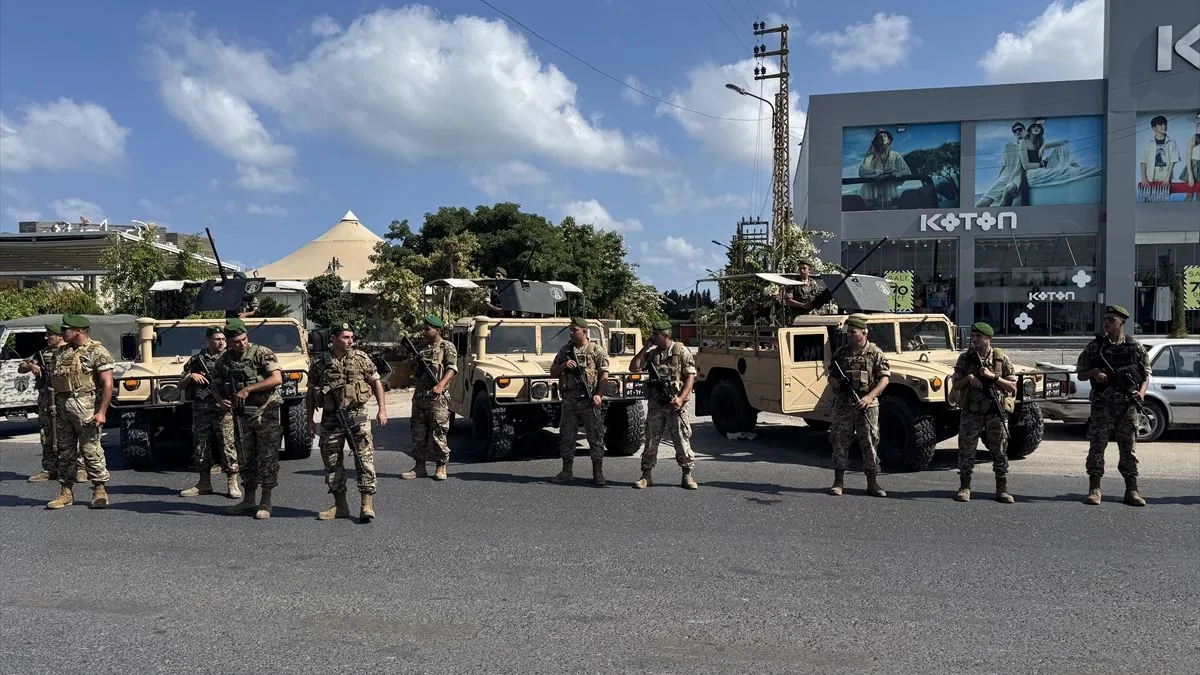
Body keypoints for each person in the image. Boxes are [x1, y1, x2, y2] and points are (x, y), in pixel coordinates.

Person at [308, 322, 388, 522]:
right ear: (333, 339)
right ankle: (340, 505)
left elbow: (376, 382)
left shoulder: (361, 358)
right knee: (332, 461)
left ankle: (366, 505)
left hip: (357, 415)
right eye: (345, 337)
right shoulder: (320, 363)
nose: (350, 341)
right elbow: (311, 391)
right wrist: (309, 420)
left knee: (364, 459)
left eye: (352, 337)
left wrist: (382, 409)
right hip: (331, 419)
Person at [1074, 305, 1149, 507]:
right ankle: (1095, 488)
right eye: (1105, 319)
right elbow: (1080, 374)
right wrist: (1093, 373)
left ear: (1122, 322)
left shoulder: (1135, 347)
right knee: (1097, 447)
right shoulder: (1095, 347)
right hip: (1102, 405)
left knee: (1128, 448)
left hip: (1127, 406)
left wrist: (1141, 393)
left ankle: (1132, 489)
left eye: (1111, 320)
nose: (1106, 323)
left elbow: (1145, 375)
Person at [212, 318, 284, 519]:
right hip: (241, 415)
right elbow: (215, 382)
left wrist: (248, 389)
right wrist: (220, 399)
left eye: (244, 339)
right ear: (228, 342)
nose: (242, 343)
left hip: (264, 413)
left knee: (267, 456)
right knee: (245, 456)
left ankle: (266, 501)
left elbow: (276, 378)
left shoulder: (262, 353)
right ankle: (249, 499)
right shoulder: (224, 359)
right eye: (236, 341)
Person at [45, 315, 116, 510]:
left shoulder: (98, 352)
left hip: (86, 406)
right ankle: (66, 492)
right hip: (62, 408)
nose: (62, 332)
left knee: (90, 449)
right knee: (64, 451)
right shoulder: (61, 353)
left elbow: (108, 384)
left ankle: (99, 490)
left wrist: (102, 412)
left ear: (79, 331)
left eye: (65, 329)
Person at [950, 322, 1017, 503]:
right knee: (966, 450)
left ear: (989, 338)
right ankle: (964, 487)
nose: (974, 339)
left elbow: (1012, 387)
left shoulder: (1001, 359)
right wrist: (969, 378)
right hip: (971, 411)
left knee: (999, 451)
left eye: (978, 336)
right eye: (973, 336)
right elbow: (956, 384)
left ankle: (1002, 489)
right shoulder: (965, 359)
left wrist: (992, 377)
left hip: (994, 412)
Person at [630, 320, 698, 490]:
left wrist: (681, 398)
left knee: (682, 441)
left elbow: (690, 377)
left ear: (666, 335)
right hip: (656, 406)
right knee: (650, 442)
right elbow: (634, 368)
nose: (653, 337)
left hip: (675, 406)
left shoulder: (681, 351)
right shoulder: (652, 354)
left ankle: (687, 475)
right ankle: (646, 475)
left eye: (656, 334)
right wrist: (645, 348)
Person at [827, 315, 889, 498]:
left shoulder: (875, 353)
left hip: (867, 406)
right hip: (844, 405)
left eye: (853, 332)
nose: (849, 336)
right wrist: (835, 382)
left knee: (870, 443)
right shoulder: (841, 352)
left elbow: (884, 379)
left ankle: (872, 483)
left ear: (864, 333)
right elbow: (831, 374)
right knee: (839, 441)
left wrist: (869, 397)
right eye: (848, 333)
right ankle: (838, 481)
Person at [177, 326, 241, 499]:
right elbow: (180, 385)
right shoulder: (196, 360)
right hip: (202, 410)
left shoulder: (231, 357)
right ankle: (204, 482)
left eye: (223, 339)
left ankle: (232, 482)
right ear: (208, 340)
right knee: (201, 446)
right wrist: (191, 376)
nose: (221, 342)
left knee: (228, 445)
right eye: (217, 339)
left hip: (224, 410)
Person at [549, 317, 609, 486]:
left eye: (574, 330)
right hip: (570, 401)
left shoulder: (596, 350)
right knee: (567, 437)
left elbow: (604, 375)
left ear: (584, 331)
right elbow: (553, 372)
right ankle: (566, 471)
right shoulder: (565, 351)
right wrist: (563, 366)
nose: (571, 332)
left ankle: (598, 472)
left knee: (595, 437)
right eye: (570, 330)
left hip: (590, 402)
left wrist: (599, 395)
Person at [22, 323, 85, 484]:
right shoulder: (43, 354)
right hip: (46, 401)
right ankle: (50, 469)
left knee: (73, 434)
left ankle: (79, 469)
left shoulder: (73, 351)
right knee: (47, 434)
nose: (46, 337)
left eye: (49, 334)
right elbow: (21, 367)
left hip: (68, 400)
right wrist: (31, 365)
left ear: (59, 336)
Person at [402, 315, 457, 481]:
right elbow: (414, 372)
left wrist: (441, 385)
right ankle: (419, 467)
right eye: (424, 328)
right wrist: (415, 361)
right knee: (418, 433)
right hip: (420, 396)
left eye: (428, 329)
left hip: (437, 397)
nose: (424, 332)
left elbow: (451, 369)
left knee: (439, 432)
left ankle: (441, 466)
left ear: (438, 330)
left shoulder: (447, 346)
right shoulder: (419, 348)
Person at [976, 121, 1028, 207]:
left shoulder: (1030, 146)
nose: (1017, 132)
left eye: (1020, 129)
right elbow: (1004, 165)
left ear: (1025, 130)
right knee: (981, 204)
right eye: (1014, 131)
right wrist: (999, 179)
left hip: (1019, 177)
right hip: (1005, 177)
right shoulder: (1008, 147)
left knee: (1009, 189)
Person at [857, 128, 911, 209]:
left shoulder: (896, 156)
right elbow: (862, 171)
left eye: (885, 136)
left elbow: (906, 172)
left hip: (889, 196)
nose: (883, 138)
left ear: (888, 140)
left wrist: (892, 175)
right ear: (875, 141)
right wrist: (881, 172)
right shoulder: (869, 157)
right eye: (880, 136)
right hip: (871, 196)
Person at [1139, 115, 1181, 202]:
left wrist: (1168, 177)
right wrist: (1143, 178)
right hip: (1150, 175)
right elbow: (1143, 162)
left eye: (1165, 124)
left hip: (1165, 175)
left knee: (1163, 199)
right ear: (1154, 128)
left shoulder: (1171, 142)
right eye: (1160, 124)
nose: (1164, 126)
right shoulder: (1148, 143)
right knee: (1148, 199)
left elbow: (1173, 161)